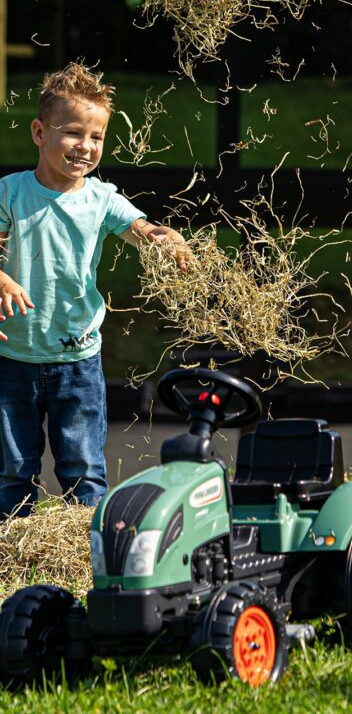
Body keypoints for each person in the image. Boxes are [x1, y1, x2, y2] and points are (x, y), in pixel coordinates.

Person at [0, 62, 187, 517]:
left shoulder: (101, 198)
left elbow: (143, 230)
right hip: (12, 358)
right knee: (12, 470)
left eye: (96, 137)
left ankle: (86, 544)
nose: (85, 146)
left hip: (77, 359)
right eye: (72, 133)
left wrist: (166, 239)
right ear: (39, 132)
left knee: (83, 468)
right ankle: (10, 544)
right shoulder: (10, 193)